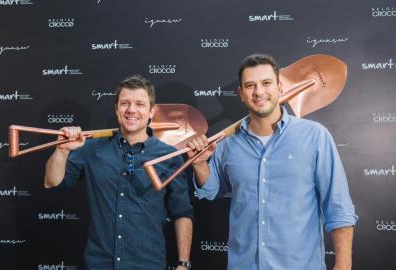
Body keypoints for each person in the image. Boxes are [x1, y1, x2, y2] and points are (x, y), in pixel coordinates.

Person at [187, 53, 358, 270]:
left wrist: (343, 265)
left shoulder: (314, 136)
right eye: (250, 85)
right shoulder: (228, 144)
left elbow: (338, 206)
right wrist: (200, 164)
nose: (258, 92)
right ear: (241, 93)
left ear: (279, 86)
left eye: (266, 83)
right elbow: (211, 190)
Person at [44, 74, 193, 270]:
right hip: (99, 264)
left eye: (139, 104)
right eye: (125, 103)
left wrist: (183, 263)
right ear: (116, 109)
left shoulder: (169, 156)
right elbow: (52, 181)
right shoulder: (92, 149)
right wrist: (62, 150)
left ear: (151, 111)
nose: (131, 110)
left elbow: (182, 211)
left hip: (148, 265)